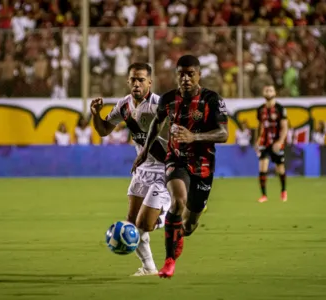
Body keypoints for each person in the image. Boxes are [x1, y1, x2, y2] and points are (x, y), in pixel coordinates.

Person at [132, 55, 228, 278]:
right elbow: (158, 122)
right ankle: (169, 262)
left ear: (199, 75)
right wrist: (145, 150)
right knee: (178, 202)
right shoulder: (168, 99)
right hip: (176, 160)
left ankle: (184, 227)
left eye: (190, 74)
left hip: (203, 165)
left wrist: (194, 137)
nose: (185, 78)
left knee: (189, 226)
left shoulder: (212, 100)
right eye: (181, 74)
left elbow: (223, 134)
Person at [90, 62, 171, 276]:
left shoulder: (159, 105)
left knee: (145, 224)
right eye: (133, 79)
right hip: (141, 170)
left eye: (141, 79)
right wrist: (95, 114)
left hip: (164, 171)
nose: (136, 83)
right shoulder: (124, 105)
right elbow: (104, 131)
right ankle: (149, 268)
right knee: (132, 224)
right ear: (128, 81)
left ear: (150, 82)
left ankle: (173, 213)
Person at [255, 84, 288, 203]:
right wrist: (257, 140)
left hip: (276, 142)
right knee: (262, 168)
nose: (268, 92)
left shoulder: (280, 108)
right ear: (263, 94)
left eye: (270, 90)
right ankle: (264, 195)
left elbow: (285, 127)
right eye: (266, 90)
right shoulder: (260, 109)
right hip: (264, 141)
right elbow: (259, 126)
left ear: (275, 93)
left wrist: (280, 141)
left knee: (280, 168)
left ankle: (283, 191)